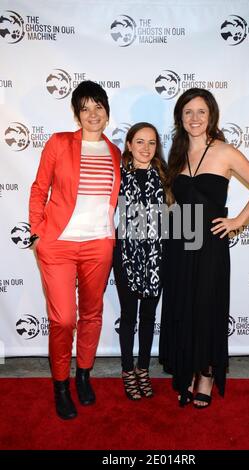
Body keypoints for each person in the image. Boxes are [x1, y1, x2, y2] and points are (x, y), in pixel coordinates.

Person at [159, 88, 249, 408]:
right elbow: (171, 201)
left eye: (201, 112)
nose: (194, 118)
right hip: (180, 243)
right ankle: (185, 371)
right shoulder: (176, 156)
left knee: (207, 307)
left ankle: (205, 375)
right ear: (180, 117)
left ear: (211, 116)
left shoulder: (225, 151)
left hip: (210, 247)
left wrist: (237, 221)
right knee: (183, 306)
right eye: (188, 112)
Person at [29, 80, 121, 419]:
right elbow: (39, 188)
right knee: (63, 319)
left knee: (92, 314)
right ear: (76, 113)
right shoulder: (59, 143)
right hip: (59, 244)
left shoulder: (114, 153)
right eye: (86, 108)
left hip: (99, 243)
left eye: (98, 107)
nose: (93, 114)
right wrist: (38, 233)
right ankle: (60, 384)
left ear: (107, 112)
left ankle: (84, 374)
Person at [113, 122, 167, 400]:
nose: (146, 148)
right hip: (125, 254)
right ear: (130, 145)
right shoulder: (118, 176)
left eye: (152, 143)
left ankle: (143, 369)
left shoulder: (165, 177)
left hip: (157, 257)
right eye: (140, 142)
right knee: (128, 316)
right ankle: (126, 371)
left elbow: (178, 217)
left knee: (148, 316)